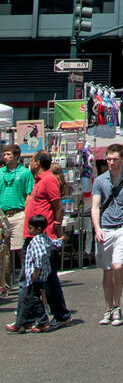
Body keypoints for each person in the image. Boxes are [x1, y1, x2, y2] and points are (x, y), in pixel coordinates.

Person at [91, 142, 123, 326]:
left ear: (122, 160)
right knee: (107, 270)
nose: (110, 162)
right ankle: (108, 308)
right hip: (105, 227)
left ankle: (117, 306)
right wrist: (97, 228)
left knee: (118, 265)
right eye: (108, 159)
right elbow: (95, 206)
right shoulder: (100, 180)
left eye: (114, 159)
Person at [24, 151, 70, 326]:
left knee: (48, 278)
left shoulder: (49, 179)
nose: (30, 163)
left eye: (32, 160)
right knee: (32, 278)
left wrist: (55, 226)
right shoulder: (37, 180)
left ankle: (61, 315)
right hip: (33, 235)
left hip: (44, 236)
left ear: (38, 163)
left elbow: (57, 205)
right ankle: (28, 316)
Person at [5, 214, 61, 333]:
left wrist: (35, 272)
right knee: (29, 300)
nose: (28, 230)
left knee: (32, 300)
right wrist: (62, 240)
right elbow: (55, 244)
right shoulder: (46, 238)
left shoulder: (36, 241)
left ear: (38, 229)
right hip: (42, 276)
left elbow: (39, 257)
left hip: (34, 277)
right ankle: (21, 323)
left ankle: (42, 322)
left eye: (30, 228)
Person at [0, 143, 34, 285]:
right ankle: (4, 284)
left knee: (20, 248)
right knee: (3, 251)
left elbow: (29, 195)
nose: (5, 157)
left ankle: (28, 279)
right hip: (2, 215)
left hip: (19, 214)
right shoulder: (0, 173)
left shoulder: (25, 173)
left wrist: (27, 214)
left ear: (16, 156)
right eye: (4, 154)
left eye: (9, 154)